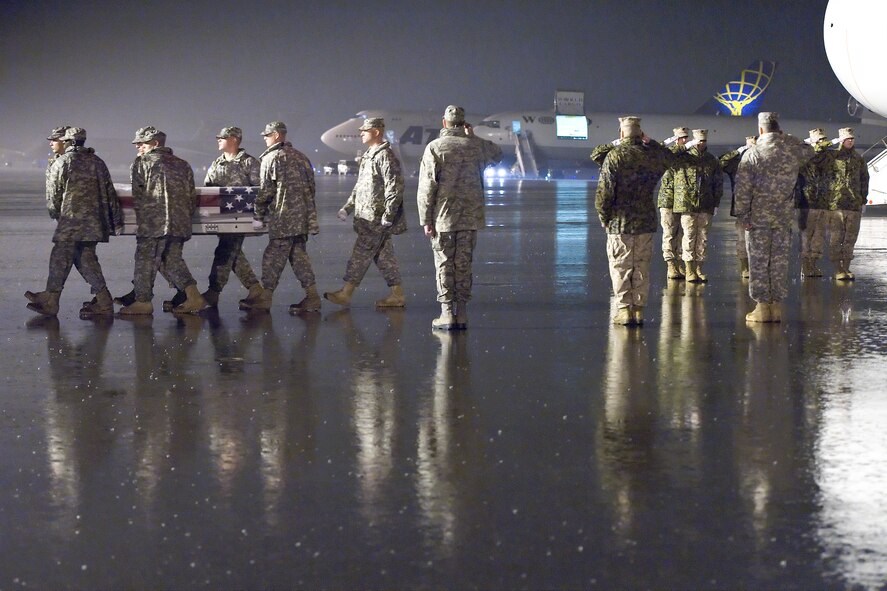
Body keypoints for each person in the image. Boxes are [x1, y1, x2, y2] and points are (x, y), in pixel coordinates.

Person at [417, 105, 503, 330]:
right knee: (463, 264)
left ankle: (447, 314)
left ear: (444, 122)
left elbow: (427, 187)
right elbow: (497, 154)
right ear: (464, 124)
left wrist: (426, 220)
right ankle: (462, 313)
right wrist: (473, 137)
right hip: (470, 218)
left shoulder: (435, 147)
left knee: (444, 263)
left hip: (444, 218)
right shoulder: (475, 147)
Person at [25, 127, 123, 316]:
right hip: (94, 223)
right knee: (84, 259)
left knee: (61, 259)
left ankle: (53, 301)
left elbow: (54, 195)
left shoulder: (64, 162)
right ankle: (101, 300)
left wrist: (57, 215)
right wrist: (114, 220)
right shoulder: (98, 162)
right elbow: (110, 192)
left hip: (70, 222)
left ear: (68, 141)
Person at [734, 112, 812, 323]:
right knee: (779, 262)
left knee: (758, 262)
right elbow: (810, 149)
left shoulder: (752, 154)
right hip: (783, 218)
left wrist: (743, 215)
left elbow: (742, 190)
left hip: (757, 219)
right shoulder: (792, 152)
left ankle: (762, 308)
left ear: (760, 130)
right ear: (779, 129)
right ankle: (776, 307)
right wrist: (787, 139)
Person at [119, 126, 205, 315]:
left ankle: (143, 302)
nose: (137, 147)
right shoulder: (183, 164)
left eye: (141, 143)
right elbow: (191, 196)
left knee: (144, 259)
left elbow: (139, 195)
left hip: (154, 223)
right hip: (179, 222)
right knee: (172, 260)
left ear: (155, 143)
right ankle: (193, 296)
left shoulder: (141, 163)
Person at [594, 116, 671, 326]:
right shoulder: (651, 156)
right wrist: (651, 143)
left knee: (621, 266)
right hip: (645, 220)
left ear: (621, 134)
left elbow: (604, 192)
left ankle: (624, 310)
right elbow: (669, 157)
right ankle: (638, 310)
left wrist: (604, 217)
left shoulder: (615, 156)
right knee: (641, 266)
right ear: (641, 134)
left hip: (620, 222)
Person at [325, 117, 407, 308]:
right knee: (383, 256)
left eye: (365, 130)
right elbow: (361, 186)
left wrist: (388, 215)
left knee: (360, 254)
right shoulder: (370, 154)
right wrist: (348, 207)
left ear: (376, 132)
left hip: (376, 218)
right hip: (365, 216)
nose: (361, 133)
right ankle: (398, 294)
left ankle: (346, 292)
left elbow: (394, 188)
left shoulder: (385, 156)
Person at [243, 121, 321, 313]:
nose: (264, 138)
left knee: (272, 258)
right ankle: (313, 297)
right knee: (299, 257)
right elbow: (312, 188)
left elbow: (266, 191)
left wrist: (258, 214)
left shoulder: (272, 159)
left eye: (267, 135)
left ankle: (265, 297)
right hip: (302, 218)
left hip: (284, 218)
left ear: (277, 135)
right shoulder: (302, 158)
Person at [202, 126, 262, 307]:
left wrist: (258, 216)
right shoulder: (216, 163)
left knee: (225, 251)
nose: (218, 139)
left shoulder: (249, 163)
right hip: (221, 218)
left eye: (223, 137)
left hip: (241, 218)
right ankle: (254, 288)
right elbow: (207, 189)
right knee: (231, 253)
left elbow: (260, 190)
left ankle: (214, 291)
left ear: (235, 139)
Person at [673, 129, 723, 282]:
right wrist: (685, 147)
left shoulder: (711, 160)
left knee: (702, 238)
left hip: (705, 204)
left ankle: (699, 268)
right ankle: (688, 269)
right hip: (688, 204)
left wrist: (716, 202)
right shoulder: (683, 157)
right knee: (688, 237)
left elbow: (717, 183)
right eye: (698, 141)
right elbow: (668, 156)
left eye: (703, 141)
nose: (701, 144)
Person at [827, 127, 869, 280]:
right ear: (841, 140)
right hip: (836, 205)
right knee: (836, 238)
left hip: (854, 204)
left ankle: (846, 268)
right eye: (847, 139)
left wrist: (863, 200)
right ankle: (838, 269)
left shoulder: (858, 159)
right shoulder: (832, 157)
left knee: (850, 238)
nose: (850, 141)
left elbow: (865, 179)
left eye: (852, 139)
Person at [795, 128, 834, 278]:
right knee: (806, 236)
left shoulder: (827, 157)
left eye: (824, 139)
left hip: (822, 202)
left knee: (819, 236)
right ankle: (805, 266)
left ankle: (813, 264)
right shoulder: (805, 155)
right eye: (820, 140)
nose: (823, 143)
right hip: (807, 203)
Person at [719, 136, 756, 279]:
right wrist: (737, 151)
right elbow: (721, 162)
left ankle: (757, 268)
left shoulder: (764, 163)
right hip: (742, 209)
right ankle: (745, 267)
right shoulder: (737, 163)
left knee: (760, 241)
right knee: (742, 240)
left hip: (761, 209)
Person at [657, 127, 689, 279]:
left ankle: (680, 263)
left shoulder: (686, 155)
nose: (685, 141)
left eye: (686, 138)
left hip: (683, 200)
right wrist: (670, 141)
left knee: (682, 234)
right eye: (682, 138)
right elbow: (657, 149)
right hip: (668, 199)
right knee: (669, 233)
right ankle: (671, 265)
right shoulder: (667, 154)